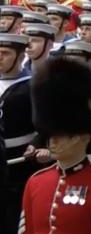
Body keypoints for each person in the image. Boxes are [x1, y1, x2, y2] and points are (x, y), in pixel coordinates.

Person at [22, 57, 91, 234]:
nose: (53, 141)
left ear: (84, 137)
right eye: (51, 134)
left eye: (63, 135)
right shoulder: (36, 182)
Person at [0, 33, 36, 232]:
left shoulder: (32, 86)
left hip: (18, 164)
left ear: (21, 56)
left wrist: (37, 144)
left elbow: (44, 125)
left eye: (5, 53)